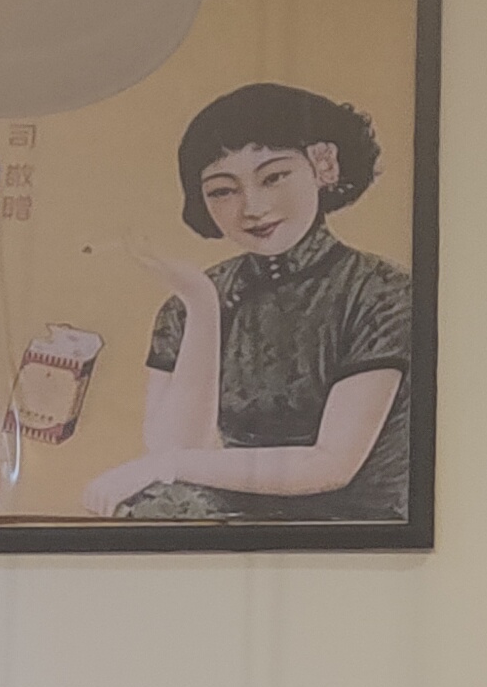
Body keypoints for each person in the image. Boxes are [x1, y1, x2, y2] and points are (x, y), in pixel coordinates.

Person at [82, 83, 415, 524]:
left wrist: (170, 464)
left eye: (274, 177)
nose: (252, 207)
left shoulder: (381, 291)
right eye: (223, 191)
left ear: (324, 166)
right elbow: (173, 448)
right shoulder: (187, 303)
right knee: (151, 511)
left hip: (362, 526)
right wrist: (202, 305)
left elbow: (331, 465)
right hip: (237, 512)